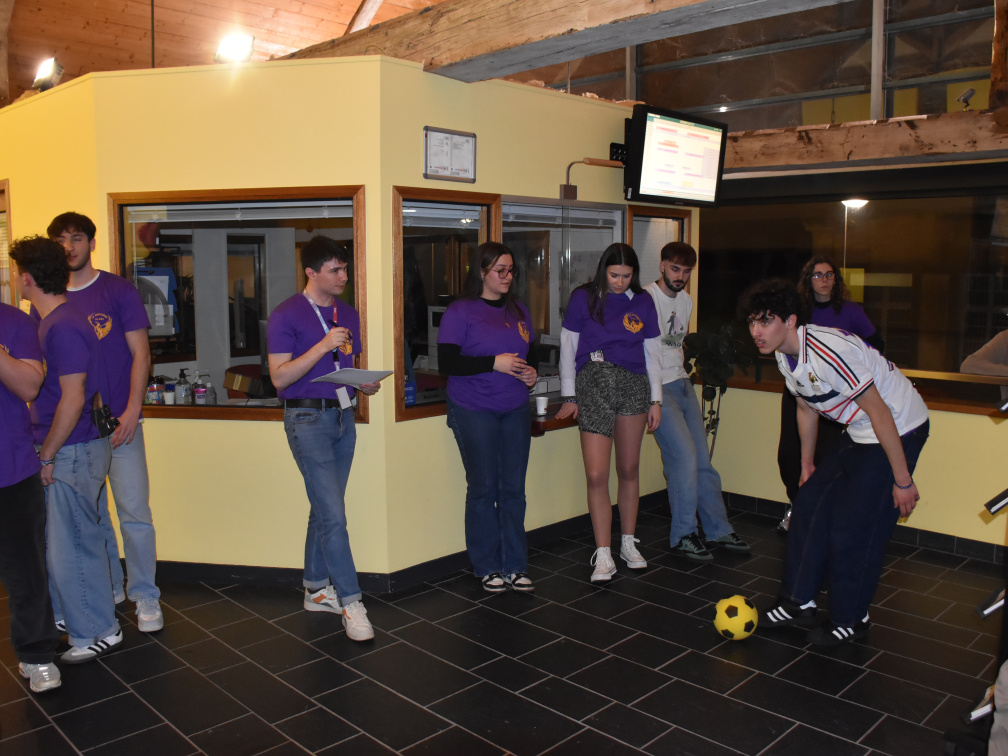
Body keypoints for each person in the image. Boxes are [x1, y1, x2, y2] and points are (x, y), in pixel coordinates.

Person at [740, 279, 929, 645]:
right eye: (752, 321)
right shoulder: (784, 354)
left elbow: (880, 412)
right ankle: (798, 602)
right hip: (860, 430)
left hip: (899, 427)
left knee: (853, 526)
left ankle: (852, 619)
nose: (756, 331)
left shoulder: (828, 352)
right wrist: (807, 464)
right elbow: (806, 406)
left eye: (765, 321)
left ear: (790, 321)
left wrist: (902, 480)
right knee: (808, 504)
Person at [48, 211, 163, 633]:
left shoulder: (117, 289)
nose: (69, 247)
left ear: (92, 243)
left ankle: (145, 595)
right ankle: (112, 586)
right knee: (92, 516)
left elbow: (141, 354)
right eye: (61, 240)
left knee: (134, 513)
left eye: (76, 238)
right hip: (78, 431)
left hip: (122, 422)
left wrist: (132, 411)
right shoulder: (50, 297)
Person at [10, 235, 121, 663]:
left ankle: (97, 631)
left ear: (27, 277)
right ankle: (76, 620)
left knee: (74, 546)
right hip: (71, 446)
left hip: (73, 449)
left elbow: (74, 399)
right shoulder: (55, 321)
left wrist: (48, 454)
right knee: (64, 545)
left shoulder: (63, 325)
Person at [267, 235, 380, 642]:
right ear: (311, 272)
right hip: (306, 419)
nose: (344, 277)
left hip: (343, 416)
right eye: (335, 270)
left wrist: (364, 385)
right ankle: (352, 602)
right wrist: (322, 345)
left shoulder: (347, 313)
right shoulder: (286, 314)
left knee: (324, 507)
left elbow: (344, 363)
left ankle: (316, 589)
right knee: (334, 515)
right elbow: (280, 378)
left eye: (345, 268)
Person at [557, 243, 662, 583]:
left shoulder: (643, 301)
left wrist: (656, 400)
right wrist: (570, 395)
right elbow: (568, 347)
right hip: (594, 383)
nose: (620, 282)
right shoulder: (583, 298)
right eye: (614, 275)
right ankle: (603, 554)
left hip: (634, 384)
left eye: (626, 276)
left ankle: (628, 543)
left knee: (628, 469)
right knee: (596, 474)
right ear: (603, 270)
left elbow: (653, 352)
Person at [438, 243, 538, 592]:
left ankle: (515, 564)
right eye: (500, 270)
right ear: (482, 272)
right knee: (483, 488)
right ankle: (487, 566)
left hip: (514, 407)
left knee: (513, 489)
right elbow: (447, 363)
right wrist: (493, 362)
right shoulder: (461, 310)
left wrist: (531, 374)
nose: (508, 276)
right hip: (473, 407)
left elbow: (530, 355)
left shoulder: (519, 310)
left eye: (511, 270)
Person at [643, 242, 750, 562]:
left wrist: (684, 379)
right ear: (662, 266)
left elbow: (677, 347)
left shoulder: (686, 301)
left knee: (703, 461)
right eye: (675, 269)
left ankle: (718, 529)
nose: (680, 276)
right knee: (684, 459)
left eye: (686, 271)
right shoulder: (647, 298)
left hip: (682, 383)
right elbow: (647, 354)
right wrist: (654, 399)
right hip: (658, 388)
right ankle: (683, 535)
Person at [777, 256, 885, 532]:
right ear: (808, 281)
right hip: (799, 391)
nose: (824, 280)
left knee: (825, 455)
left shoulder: (851, 311)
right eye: (818, 275)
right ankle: (797, 505)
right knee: (789, 453)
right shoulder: (799, 312)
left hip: (833, 396)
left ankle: (817, 514)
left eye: (829, 275)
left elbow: (875, 346)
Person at [0, 300, 62, 692]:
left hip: (10, 468)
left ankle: (37, 655)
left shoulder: (14, 322)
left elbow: (28, 386)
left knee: (26, 571)